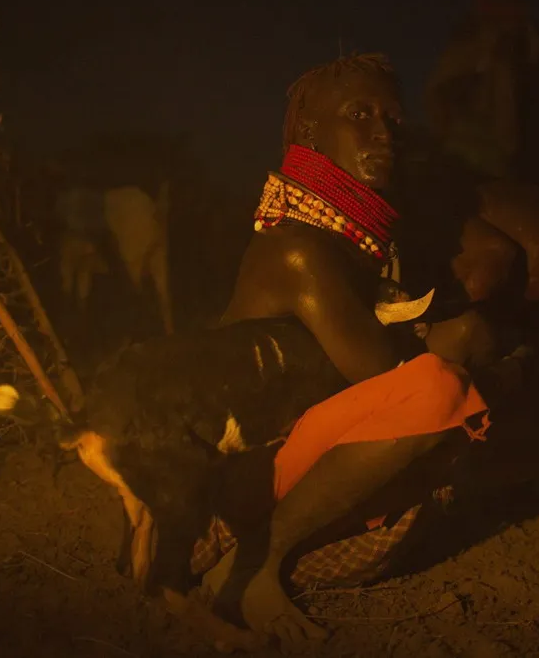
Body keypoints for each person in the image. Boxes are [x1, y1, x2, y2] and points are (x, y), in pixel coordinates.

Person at [208, 53, 495, 647]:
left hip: (288, 455)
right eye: (359, 114)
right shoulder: (298, 250)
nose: (383, 133)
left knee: (454, 364)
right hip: (238, 478)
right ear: (310, 130)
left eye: (393, 119)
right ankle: (253, 564)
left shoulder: (344, 246)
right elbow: (381, 378)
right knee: (439, 387)